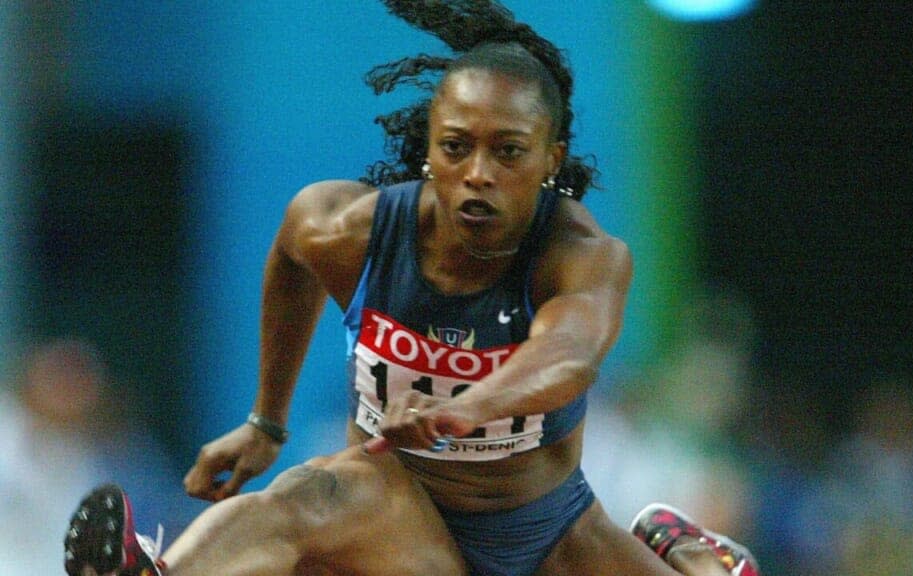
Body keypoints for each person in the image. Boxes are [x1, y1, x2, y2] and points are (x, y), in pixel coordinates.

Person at [63, 1, 758, 575]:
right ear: (429, 146)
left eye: (508, 151)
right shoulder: (349, 229)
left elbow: (569, 355)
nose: (478, 173)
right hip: (394, 508)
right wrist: (265, 421)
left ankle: (694, 555)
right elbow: (289, 255)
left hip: (543, 532)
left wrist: (474, 404)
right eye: (456, 146)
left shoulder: (580, 256)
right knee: (307, 495)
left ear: (551, 158)